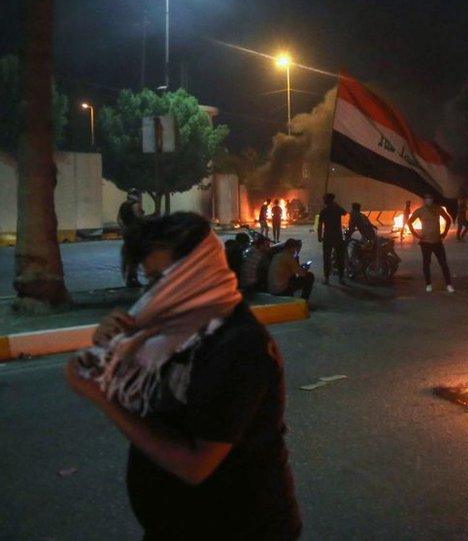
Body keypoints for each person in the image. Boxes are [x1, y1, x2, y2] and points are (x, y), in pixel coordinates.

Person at [65, 212, 302, 539]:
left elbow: (195, 464)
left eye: (165, 278)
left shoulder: (238, 345)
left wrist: (101, 397)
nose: (154, 293)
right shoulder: (173, 332)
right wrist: (116, 351)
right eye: (151, 281)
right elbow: (154, 408)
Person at [408, 193, 454, 293]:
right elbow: (409, 222)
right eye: (427, 199)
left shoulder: (438, 209)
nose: (429, 200)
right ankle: (428, 284)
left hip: (437, 241)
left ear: (433, 200)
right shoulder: (420, 211)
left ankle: (448, 284)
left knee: (443, 263)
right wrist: (415, 234)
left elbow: (448, 219)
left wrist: (445, 233)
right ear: (424, 200)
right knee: (426, 264)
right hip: (425, 243)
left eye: (431, 198)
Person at [317, 193, 347, 286]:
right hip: (337, 237)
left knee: (327, 258)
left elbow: (320, 225)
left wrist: (319, 236)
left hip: (328, 237)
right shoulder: (337, 209)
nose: (323, 200)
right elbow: (345, 212)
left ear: (327, 200)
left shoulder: (324, 211)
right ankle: (341, 278)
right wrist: (336, 205)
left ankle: (326, 278)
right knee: (339, 258)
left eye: (324, 199)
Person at [117, 191, 145, 288]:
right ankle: (133, 279)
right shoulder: (135, 205)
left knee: (128, 256)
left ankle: (129, 278)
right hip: (134, 232)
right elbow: (138, 218)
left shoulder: (123, 205)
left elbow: (119, 219)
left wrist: (124, 228)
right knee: (134, 256)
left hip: (127, 232)